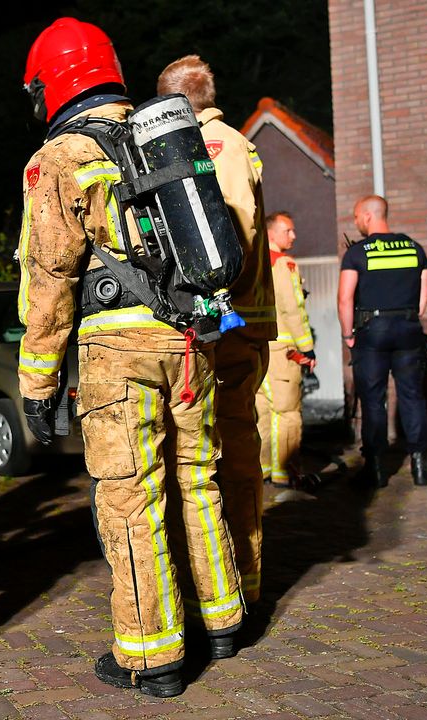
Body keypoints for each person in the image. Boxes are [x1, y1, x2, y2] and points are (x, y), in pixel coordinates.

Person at [17, 18, 244, 698]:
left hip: (116, 353)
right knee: (199, 482)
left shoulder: (61, 158)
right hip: (188, 338)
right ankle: (225, 621)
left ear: (50, 85)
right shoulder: (155, 136)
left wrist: (39, 381)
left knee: (130, 500)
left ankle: (152, 659)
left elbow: (51, 279)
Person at [156, 55, 275, 610]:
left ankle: (238, 587)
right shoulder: (225, 141)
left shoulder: (216, 146)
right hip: (229, 326)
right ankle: (222, 585)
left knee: (228, 461)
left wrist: (213, 301)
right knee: (213, 459)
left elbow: (239, 229)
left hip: (227, 328)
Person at [338, 194, 427, 488]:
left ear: (367, 216)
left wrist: (348, 334)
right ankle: (420, 465)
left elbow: (345, 299)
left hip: (372, 332)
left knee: (373, 400)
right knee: (412, 396)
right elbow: (422, 302)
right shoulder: (415, 248)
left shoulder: (357, 253)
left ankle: (376, 469)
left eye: (356, 217)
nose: (355, 223)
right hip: (408, 329)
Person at [258, 211, 320, 489]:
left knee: (263, 411)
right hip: (283, 350)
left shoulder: (253, 263)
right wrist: (307, 347)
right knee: (288, 412)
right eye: (288, 231)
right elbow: (292, 308)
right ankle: (286, 471)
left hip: (257, 348)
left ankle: (263, 468)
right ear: (271, 233)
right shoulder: (284, 264)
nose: (293, 236)